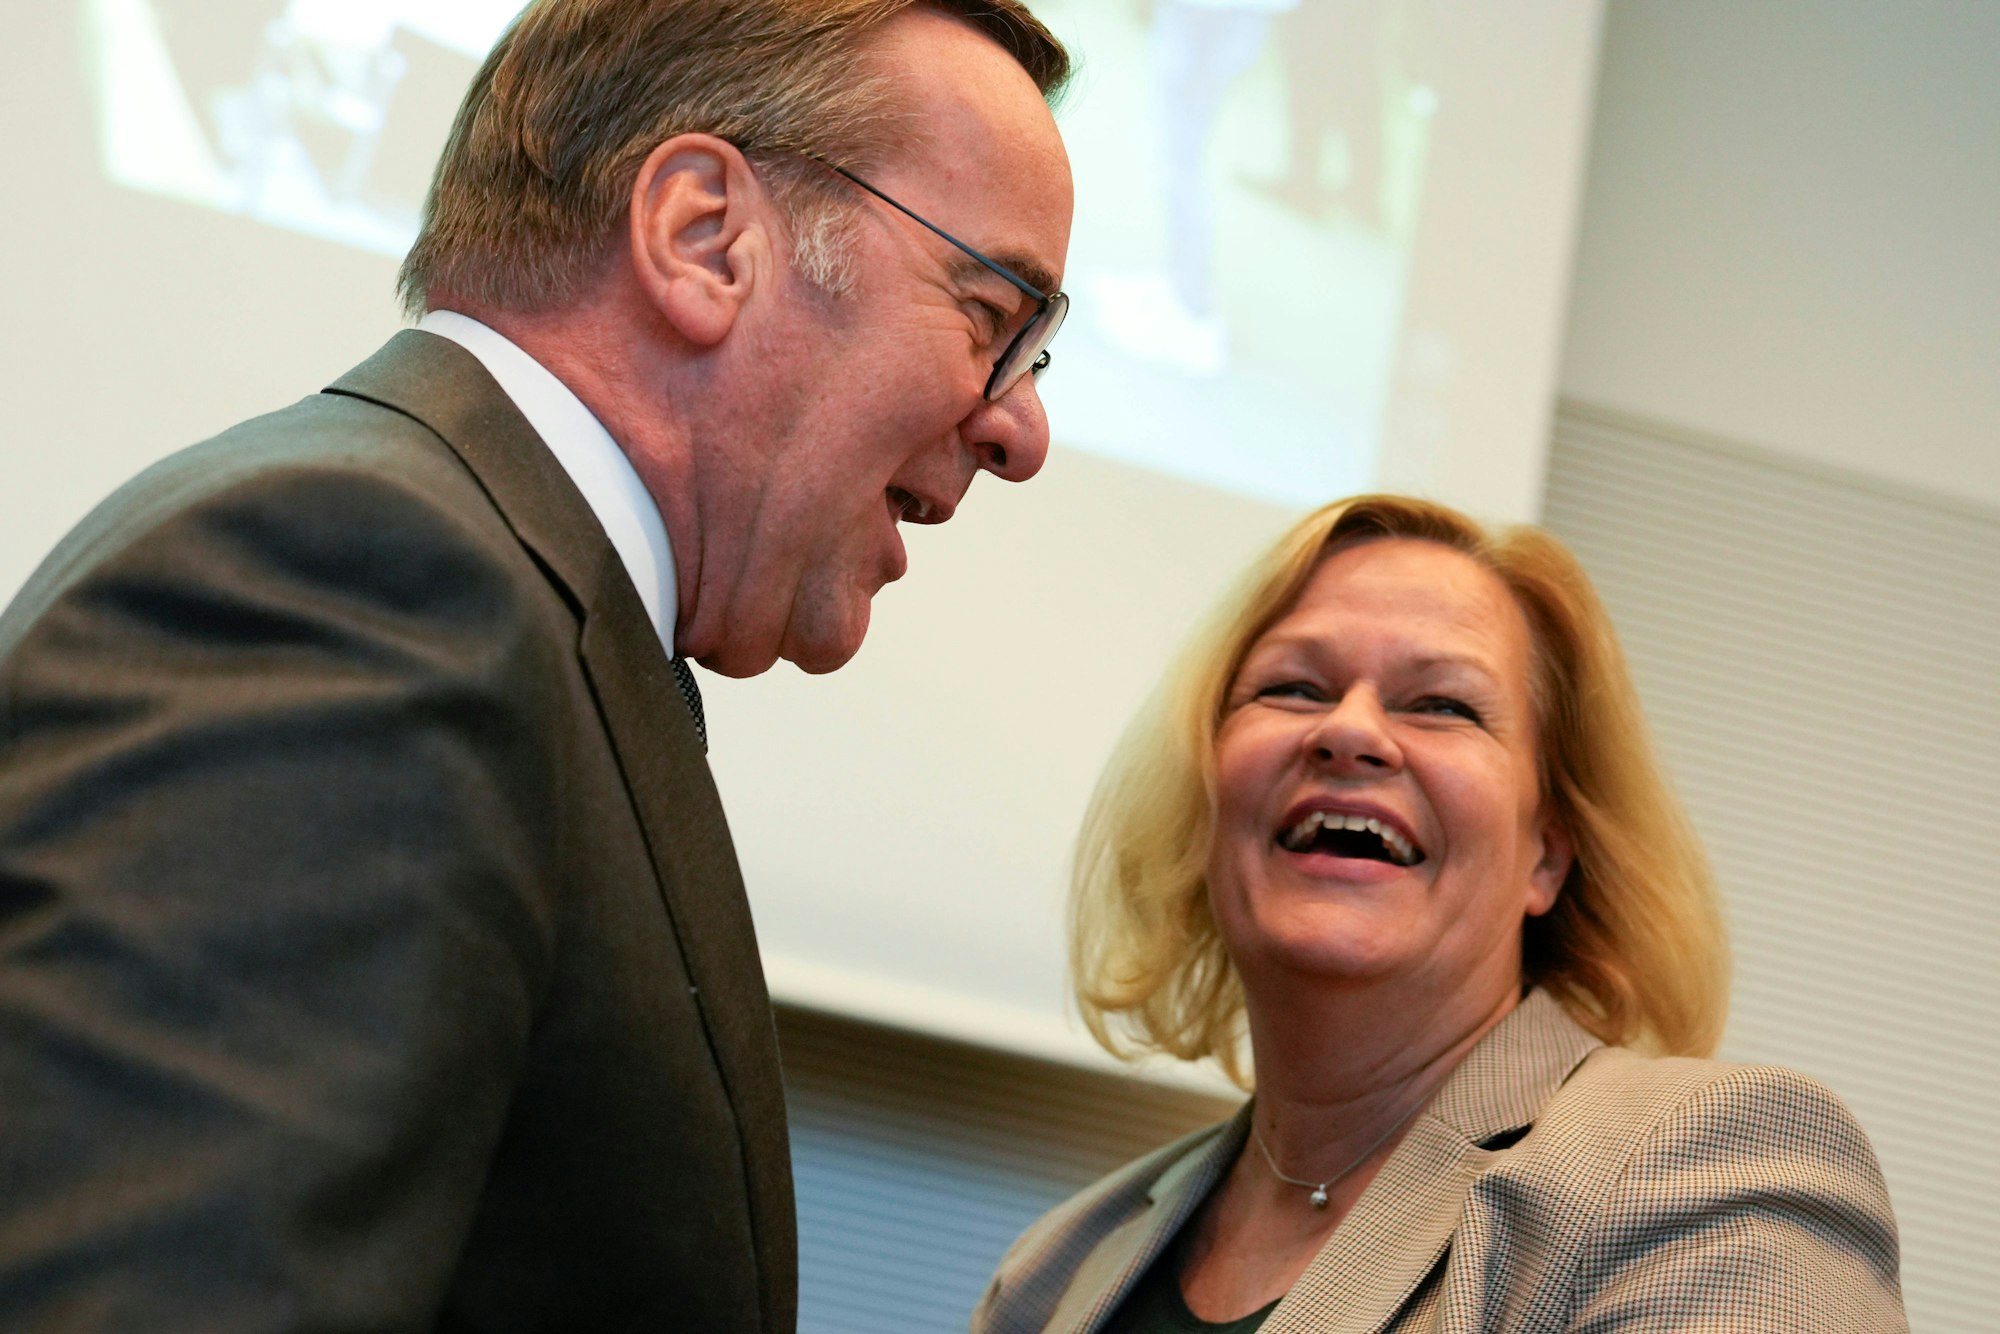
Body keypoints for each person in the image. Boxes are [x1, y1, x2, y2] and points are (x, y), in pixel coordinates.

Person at [0, 1, 1071, 1330]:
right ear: (702, 237)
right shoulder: (365, 585)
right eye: (990, 314)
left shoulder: (496, 607)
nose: (1020, 426)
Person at [974, 495, 1905, 1332]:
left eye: (1443, 706)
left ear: (1546, 853)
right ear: (1204, 802)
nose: (1350, 731)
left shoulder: (1706, 1172)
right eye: (1295, 687)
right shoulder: (1056, 1271)